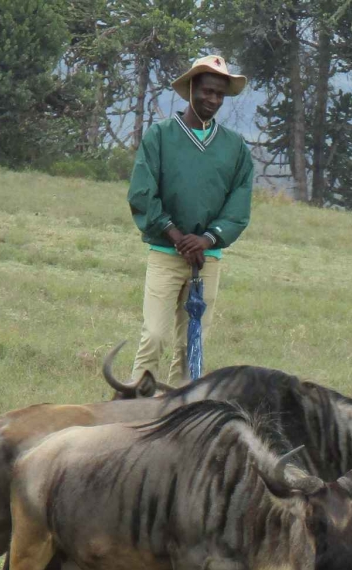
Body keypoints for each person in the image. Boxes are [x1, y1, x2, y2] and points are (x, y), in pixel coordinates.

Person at [127, 55, 254, 386]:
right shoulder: (160, 136)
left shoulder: (235, 147)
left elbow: (238, 205)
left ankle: (178, 417)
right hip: (165, 254)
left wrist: (208, 239)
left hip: (207, 260)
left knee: (191, 347)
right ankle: (134, 409)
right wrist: (176, 236)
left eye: (219, 95)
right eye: (207, 91)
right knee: (154, 336)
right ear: (191, 89)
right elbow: (143, 193)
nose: (212, 100)